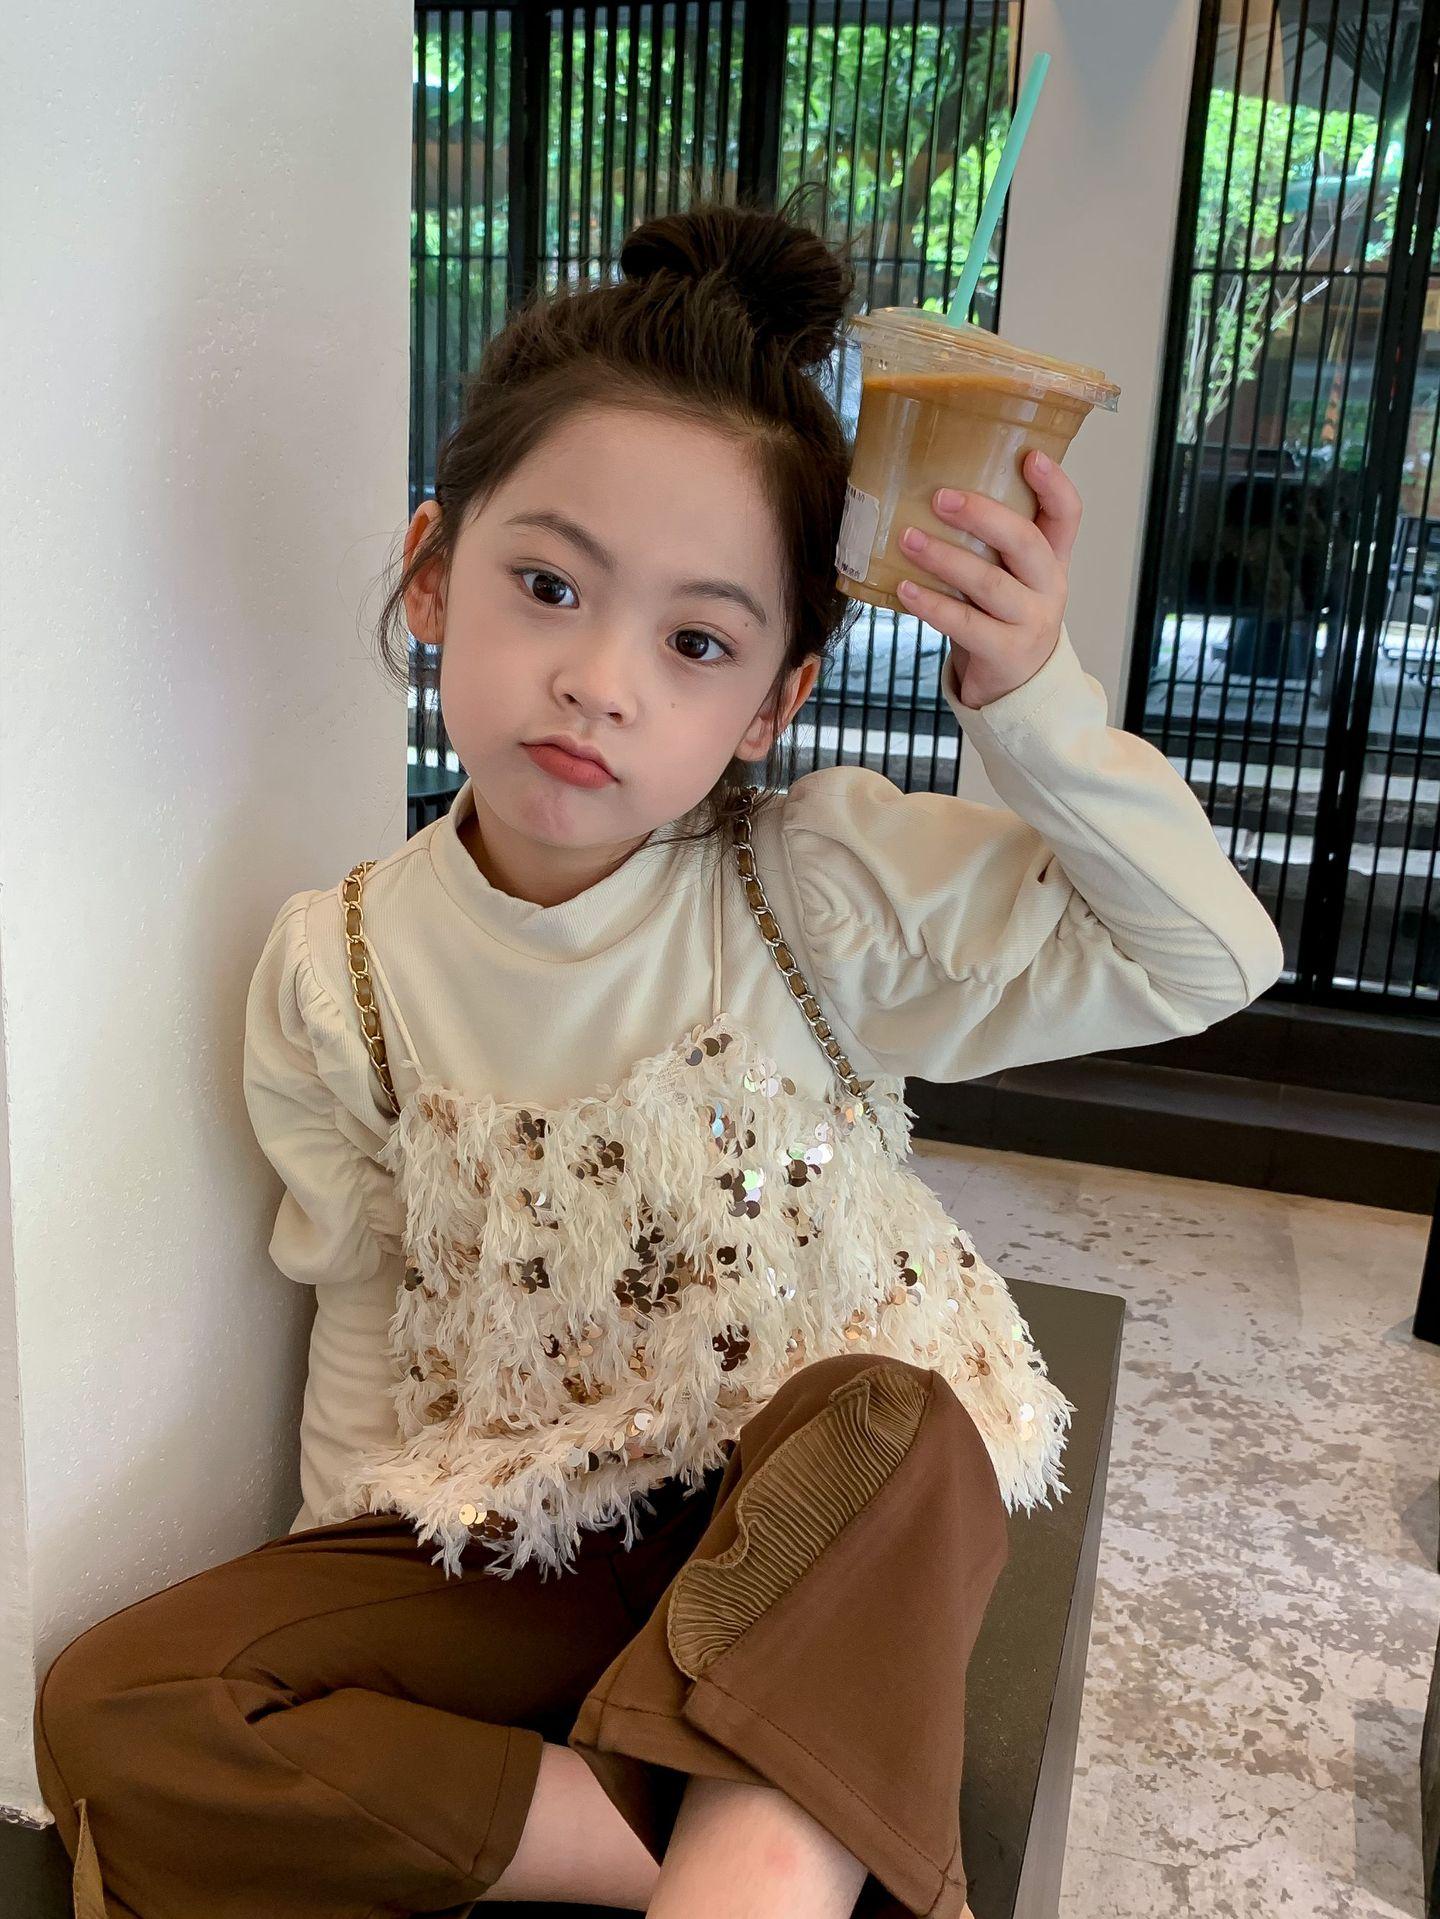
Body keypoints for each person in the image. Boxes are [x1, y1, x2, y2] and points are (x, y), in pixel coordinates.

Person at [32, 186, 1286, 1919]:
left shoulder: (815, 888)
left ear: (773, 701)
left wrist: (1033, 701)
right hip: (537, 1537)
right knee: (118, 1704)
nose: (599, 681)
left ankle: (747, 1850)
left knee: (893, 1419)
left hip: (825, 1525)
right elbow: (369, 1311)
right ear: (430, 571)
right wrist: (349, 1607)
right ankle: (698, 1822)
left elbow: (1210, 955)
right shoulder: (338, 965)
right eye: (548, 585)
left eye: (696, 641)